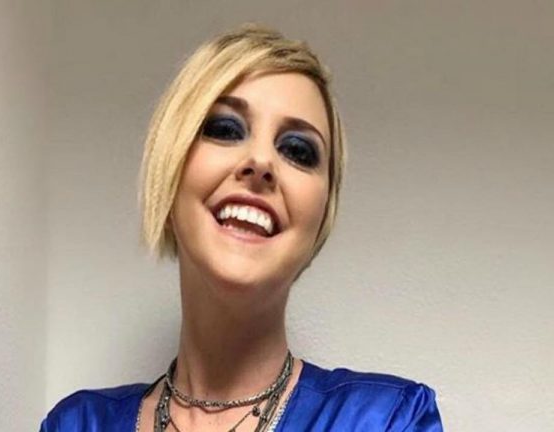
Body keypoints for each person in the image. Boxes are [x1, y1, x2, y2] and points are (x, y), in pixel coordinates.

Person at [41, 24, 443, 432]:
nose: (261, 162)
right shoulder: (78, 424)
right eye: (225, 129)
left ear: (321, 216)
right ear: (171, 166)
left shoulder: (388, 420)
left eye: (298, 150)